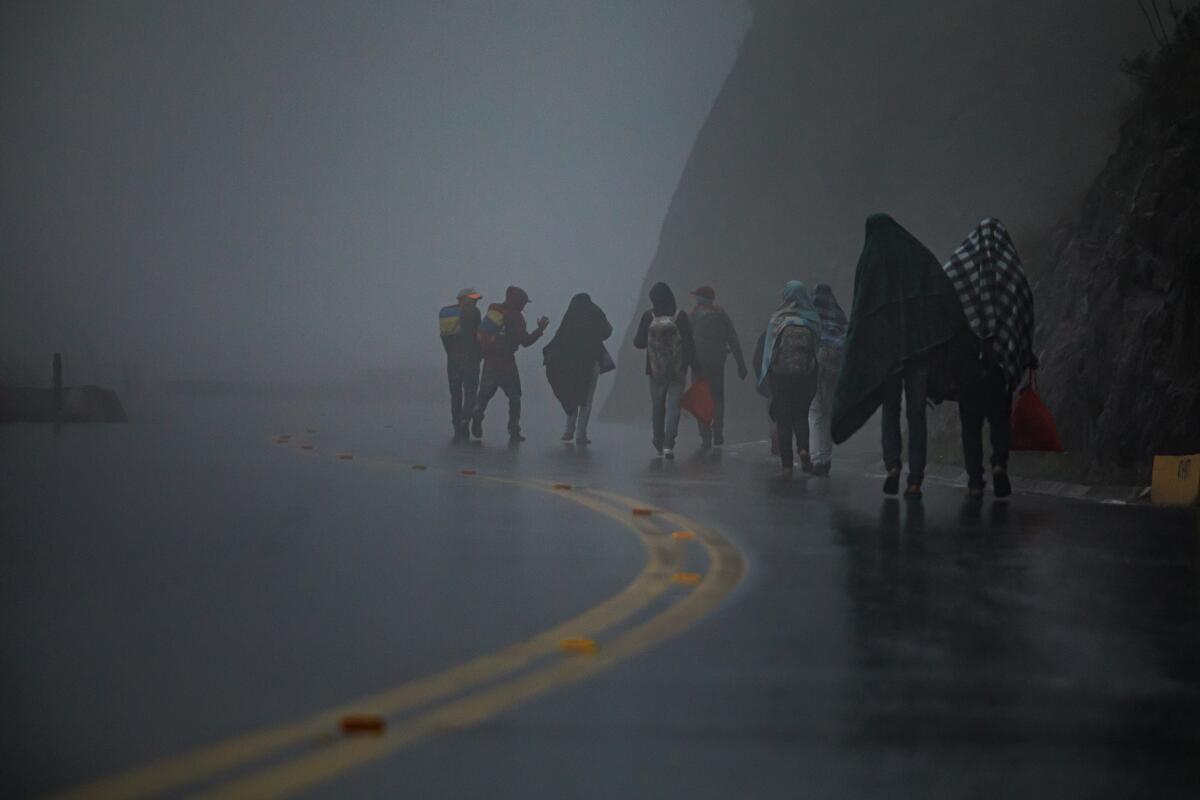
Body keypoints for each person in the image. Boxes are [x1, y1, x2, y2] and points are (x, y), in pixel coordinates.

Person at [831, 214, 978, 498]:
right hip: (918, 352)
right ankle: (915, 479)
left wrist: (861, 350)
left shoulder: (871, 261)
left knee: (891, 411)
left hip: (888, 356)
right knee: (916, 413)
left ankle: (893, 465)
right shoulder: (916, 254)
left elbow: (861, 310)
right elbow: (941, 289)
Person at [943, 218, 1037, 499]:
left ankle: (975, 479)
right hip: (1000, 360)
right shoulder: (1012, 273)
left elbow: (944, 308)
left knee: (970, 425)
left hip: (968, 364)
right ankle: (999, 464)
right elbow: (1022, 315)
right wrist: (1023, 352)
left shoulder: (958, 269)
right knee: (999, 418)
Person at [758, 281, 823, 476]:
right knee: (801, 416)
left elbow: (769, 352)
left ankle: (787, 465)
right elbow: (817, 351)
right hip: (804, 377)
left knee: (783, 420)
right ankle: (803, 450)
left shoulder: (778, 319)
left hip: (781, 377)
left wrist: (767, 378)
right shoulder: (812, 320)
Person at [471, 286, 549, 443]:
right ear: (517, 301)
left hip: (489, 361)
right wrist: (540, 330)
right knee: (515, 397)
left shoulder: (494, 310)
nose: (524, 306)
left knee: (484, 396)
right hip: (507, 364)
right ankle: (514, 430)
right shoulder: (516, 318)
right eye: (523, 303)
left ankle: (477, 415)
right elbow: (525, 341)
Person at [633, 282, 698, 459]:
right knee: (674, 406)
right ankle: (669, 443)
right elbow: (689, 343)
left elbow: (638, 343)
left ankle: (658, 440)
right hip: (678, 368)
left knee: (658, 406)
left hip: (655, 369)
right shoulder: (680, 316)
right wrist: (692, 365)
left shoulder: (648, 316)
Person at [543, 293, 612, 445]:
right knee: (586, 400)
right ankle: (581, 434)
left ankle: (568, 431)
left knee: (571, 394)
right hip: (591, 361)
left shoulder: (570, 316)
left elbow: (558, 339)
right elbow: (607, 331)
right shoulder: (595, 312)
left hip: (570, 365)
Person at [688, 286, 748, 449]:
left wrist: (684, 363)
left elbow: (686, 340)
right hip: (717, 363)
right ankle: (718, 429)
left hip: (698, 364)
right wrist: (740, 363)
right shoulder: (721, 314)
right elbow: (733, 339)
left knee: (700, 398)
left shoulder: (694, 314)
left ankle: (705, 435)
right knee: (717, 397)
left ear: (701, 298)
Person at [808, 283, 848, 475]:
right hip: (834, 366)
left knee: (815, 411)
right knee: (828, 412)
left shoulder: (810, 316)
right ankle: (826, 458)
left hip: (815, 365)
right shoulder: (839, 317)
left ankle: (817, 459)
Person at [439, 288, 483, 441]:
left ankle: (457, 426)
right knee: (470, 392)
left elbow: (444, 337)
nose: (475, 301)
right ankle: (465, 420)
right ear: (463, 298)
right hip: (470, 357)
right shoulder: (473, 312)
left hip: (452, 359)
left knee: (455, 394)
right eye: (472, 299)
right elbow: (479, 335)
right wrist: (479, 354)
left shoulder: (446, 314)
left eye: (476, 299)